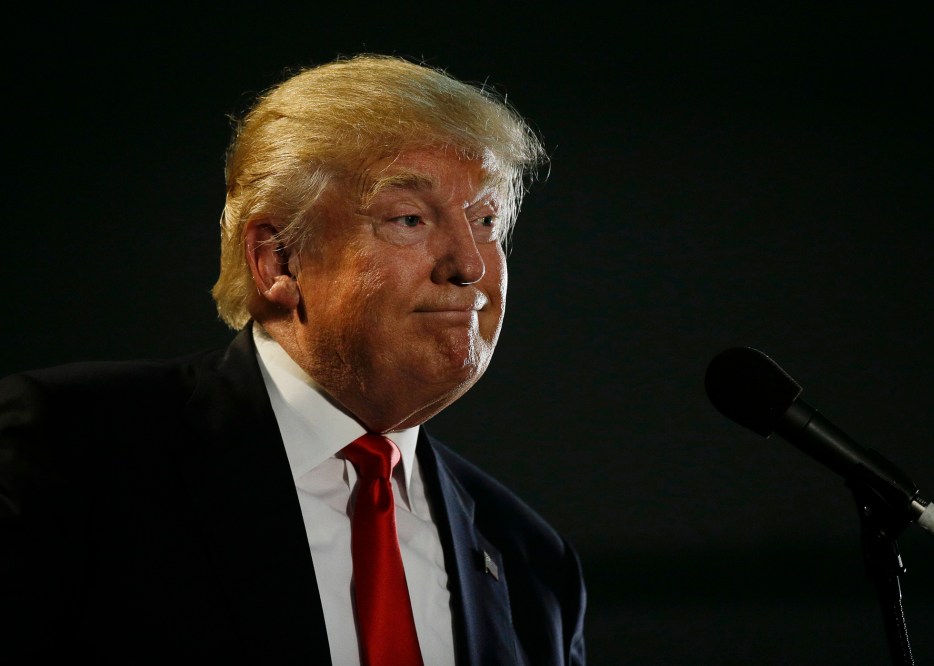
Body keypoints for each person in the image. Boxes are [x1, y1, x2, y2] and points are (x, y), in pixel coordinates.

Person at [0, 54, 586, 665]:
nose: (470, 267)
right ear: (278, 260)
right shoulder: (68, 449)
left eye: (486, 220)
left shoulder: (529, 559)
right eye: (410, 219)